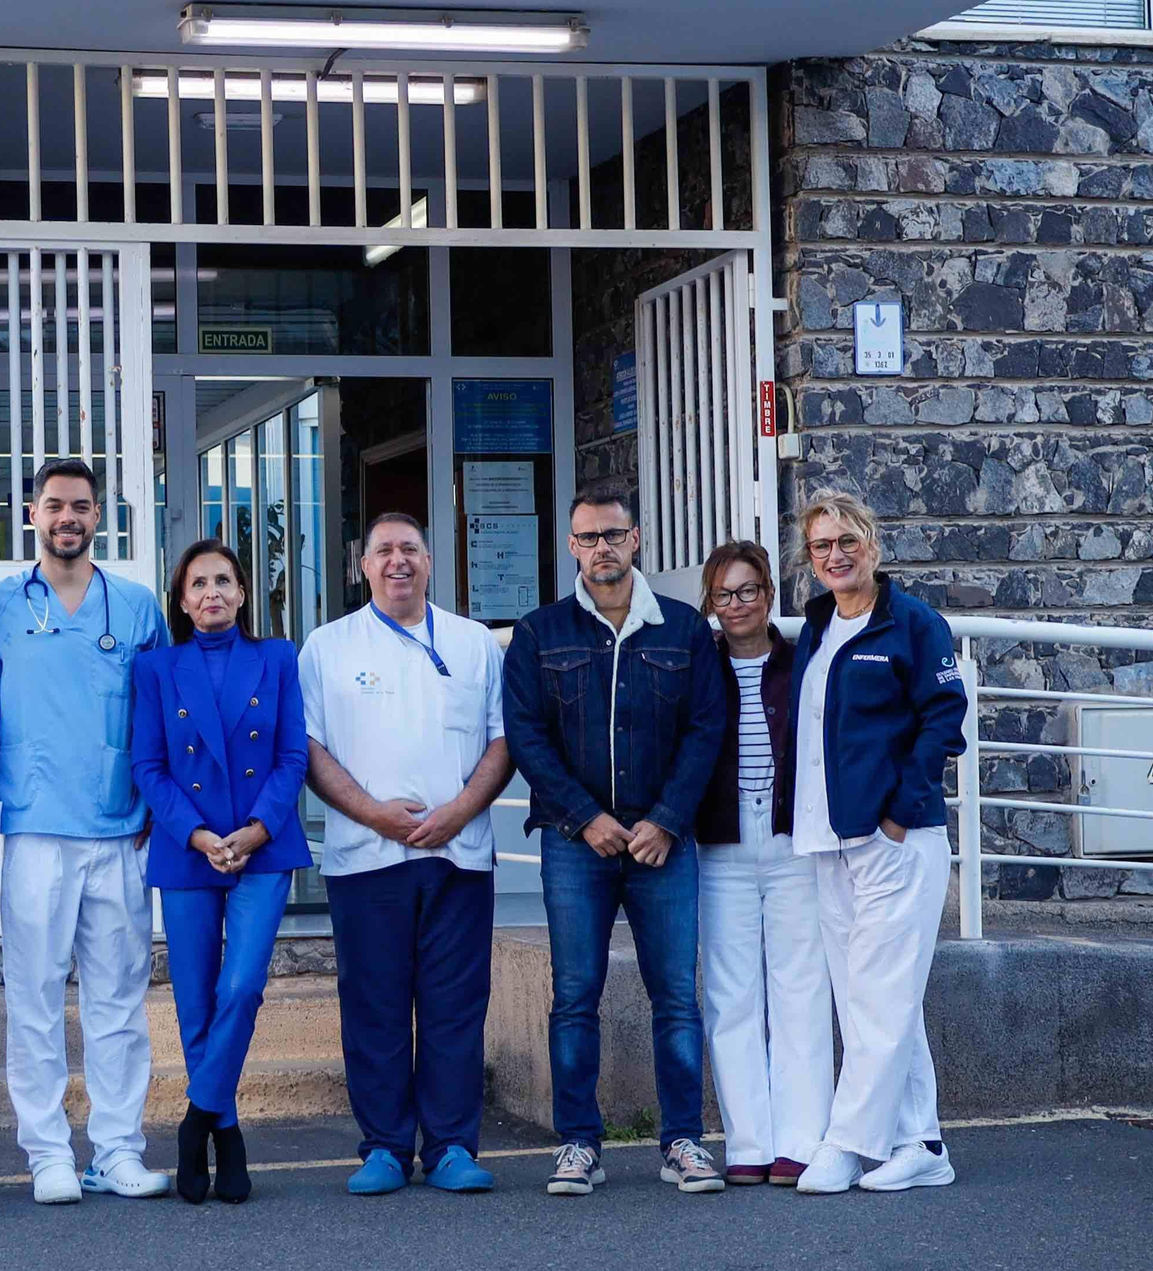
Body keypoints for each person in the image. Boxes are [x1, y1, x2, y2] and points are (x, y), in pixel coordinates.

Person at [502, 483, 728, 1199]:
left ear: (637, 540)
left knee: (677, 998)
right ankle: (579, 1145)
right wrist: (584, 818)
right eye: (589, 537)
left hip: (664, 841)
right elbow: (527, 737)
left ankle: (682, 1141)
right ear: (571, 546)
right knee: (574, 995)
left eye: (614, 535)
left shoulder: (686, 631)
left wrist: (665, 819)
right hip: (577, 843)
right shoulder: (541, 634)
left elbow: (705, 731)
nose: (602, 547)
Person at [0, 459, 172, 1204]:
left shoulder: (136, 607)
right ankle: (47, 1151)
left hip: (120, 833)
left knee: (119, 1001)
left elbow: (159, 713)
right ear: (33, 514)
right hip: (33, 831)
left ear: (99, 517)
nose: (68, 518)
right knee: (33, 997)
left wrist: (160, 803)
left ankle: (116, 1150)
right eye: (55, 505)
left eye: (81, 507)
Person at [298, 513, 512, 1197]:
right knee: (374, 1007)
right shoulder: (327, 647)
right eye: (384, 550)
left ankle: (450, 1144)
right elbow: (308, 749)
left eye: (410, 549)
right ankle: (385, 1145)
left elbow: (503, 742)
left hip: (459, 856)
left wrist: (457, 812)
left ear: (430, 561)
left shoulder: (475, 644)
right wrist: (373, 814)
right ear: (363, 565)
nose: (398, 561)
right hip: (366, 859)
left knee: (454, 1007)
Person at [789, 490, 967, 1196]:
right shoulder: (818, 626)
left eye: (846, 542)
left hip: (897, 838)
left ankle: (846, 1143)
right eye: (821, 547)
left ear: (873, 545)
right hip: (827, 840)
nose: (835, 556)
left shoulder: (915, 625)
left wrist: (897, 814)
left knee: (883, 998)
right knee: (870, 999)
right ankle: (921, 1143)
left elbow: (945, 720)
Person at [133, 540, 312, 1204]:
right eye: (198, 584)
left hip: (264, 845)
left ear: (243, 593)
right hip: (189, 849)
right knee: (195, 999)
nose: (212, 593)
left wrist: (257, 828)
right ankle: (227, 1130)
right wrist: (202, 835)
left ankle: (196, 1120)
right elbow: (147, 767)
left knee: (241, 989)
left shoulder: (278, 658)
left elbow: (293, 755)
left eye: (224, 581)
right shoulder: (156, 669)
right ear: (181, 601)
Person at [694, 538, 832, 1188]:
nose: (737, 603)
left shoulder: (802, 660)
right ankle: (747, 1142)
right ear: (710, 603)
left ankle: (801, 1142)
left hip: (791, 844)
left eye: (748, 590)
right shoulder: (699, 665)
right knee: (731, 998)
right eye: (724, 594)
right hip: (720, 846)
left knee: (800, 992)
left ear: (769, 596)